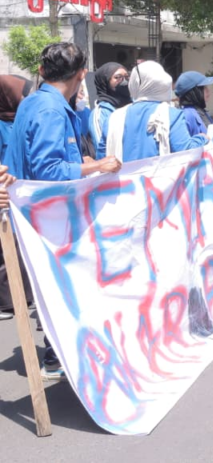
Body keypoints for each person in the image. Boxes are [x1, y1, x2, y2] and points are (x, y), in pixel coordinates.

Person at [3, 42, 122, 378]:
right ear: (81, 75)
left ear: (42, 71)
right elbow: (48, 170)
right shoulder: (50, 111)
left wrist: (81, 160)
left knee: (58, 289)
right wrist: (96, 166)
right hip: (48, 219)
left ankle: (60, 354)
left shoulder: (36, 103)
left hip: (40, 216)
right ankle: (59, 358)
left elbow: (50, 158)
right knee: (65, 290)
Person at [103, 62, 209, 162]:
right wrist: (203, 138)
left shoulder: (113, 117)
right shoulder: (171, 114)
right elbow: (185, 150)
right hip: (159, 175)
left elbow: (103, 159)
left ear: (134, 84)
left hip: (123, 175)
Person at [0, 77, 33, 321]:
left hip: (18, 191)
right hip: (3, 191)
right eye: (22, 94)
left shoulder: (19, 121)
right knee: (5, 248)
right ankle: (6, 301)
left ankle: (23, 295)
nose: (25, 99)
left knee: (20, 245)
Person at [89, 62, 131, 159]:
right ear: (105, 82)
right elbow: (101, 147)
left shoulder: (133, 106)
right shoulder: (100, 113)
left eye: (126, 77)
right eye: (117, 77)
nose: (124, 81)